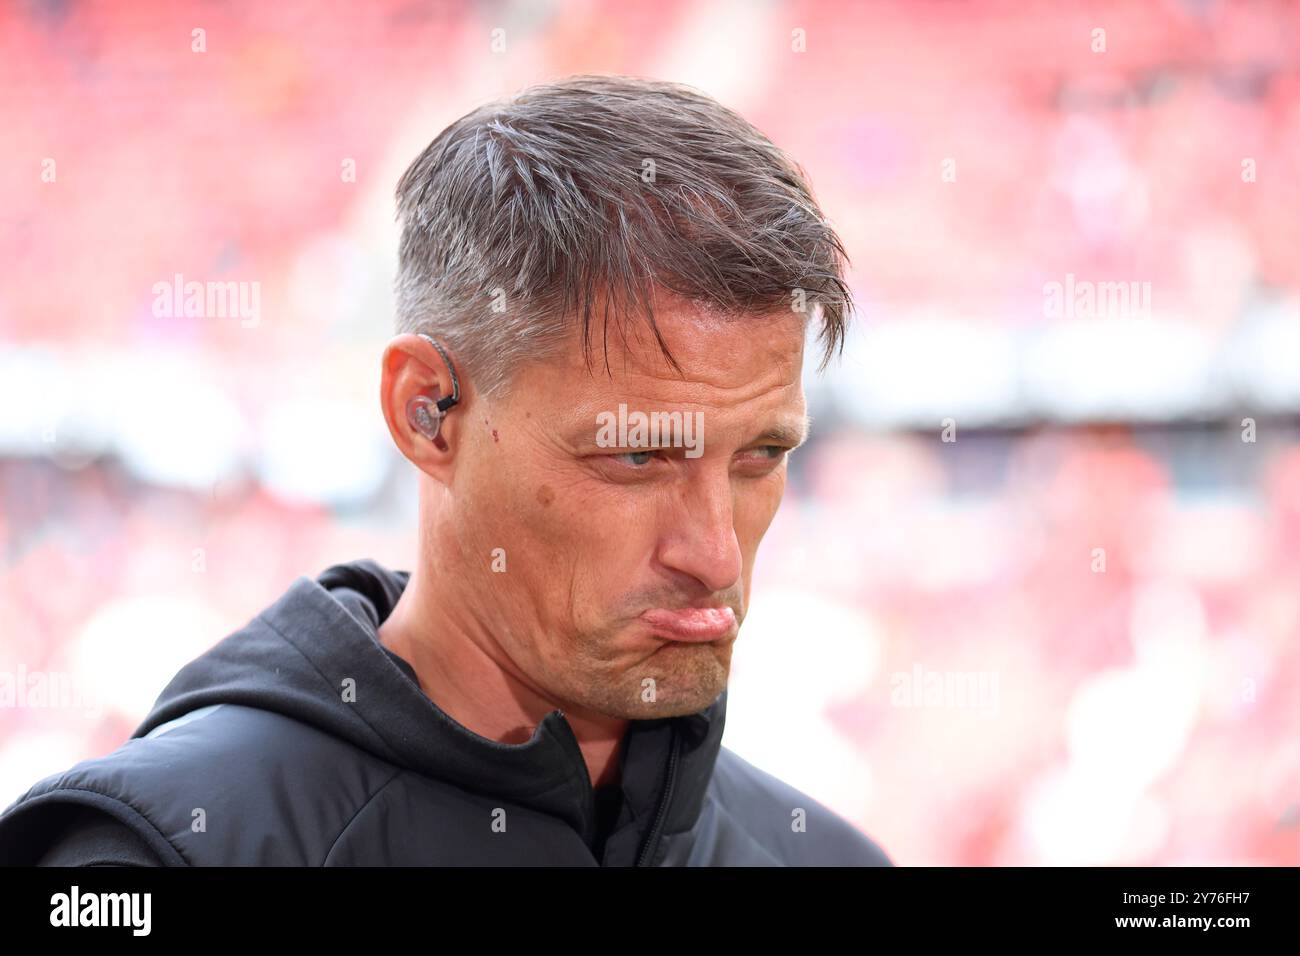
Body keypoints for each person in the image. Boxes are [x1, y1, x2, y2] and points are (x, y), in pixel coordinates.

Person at [0, 74, 891, 866]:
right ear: (426, 410)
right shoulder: (150, 854)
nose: (716, 555)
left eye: (762, 456)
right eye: (636, 453)